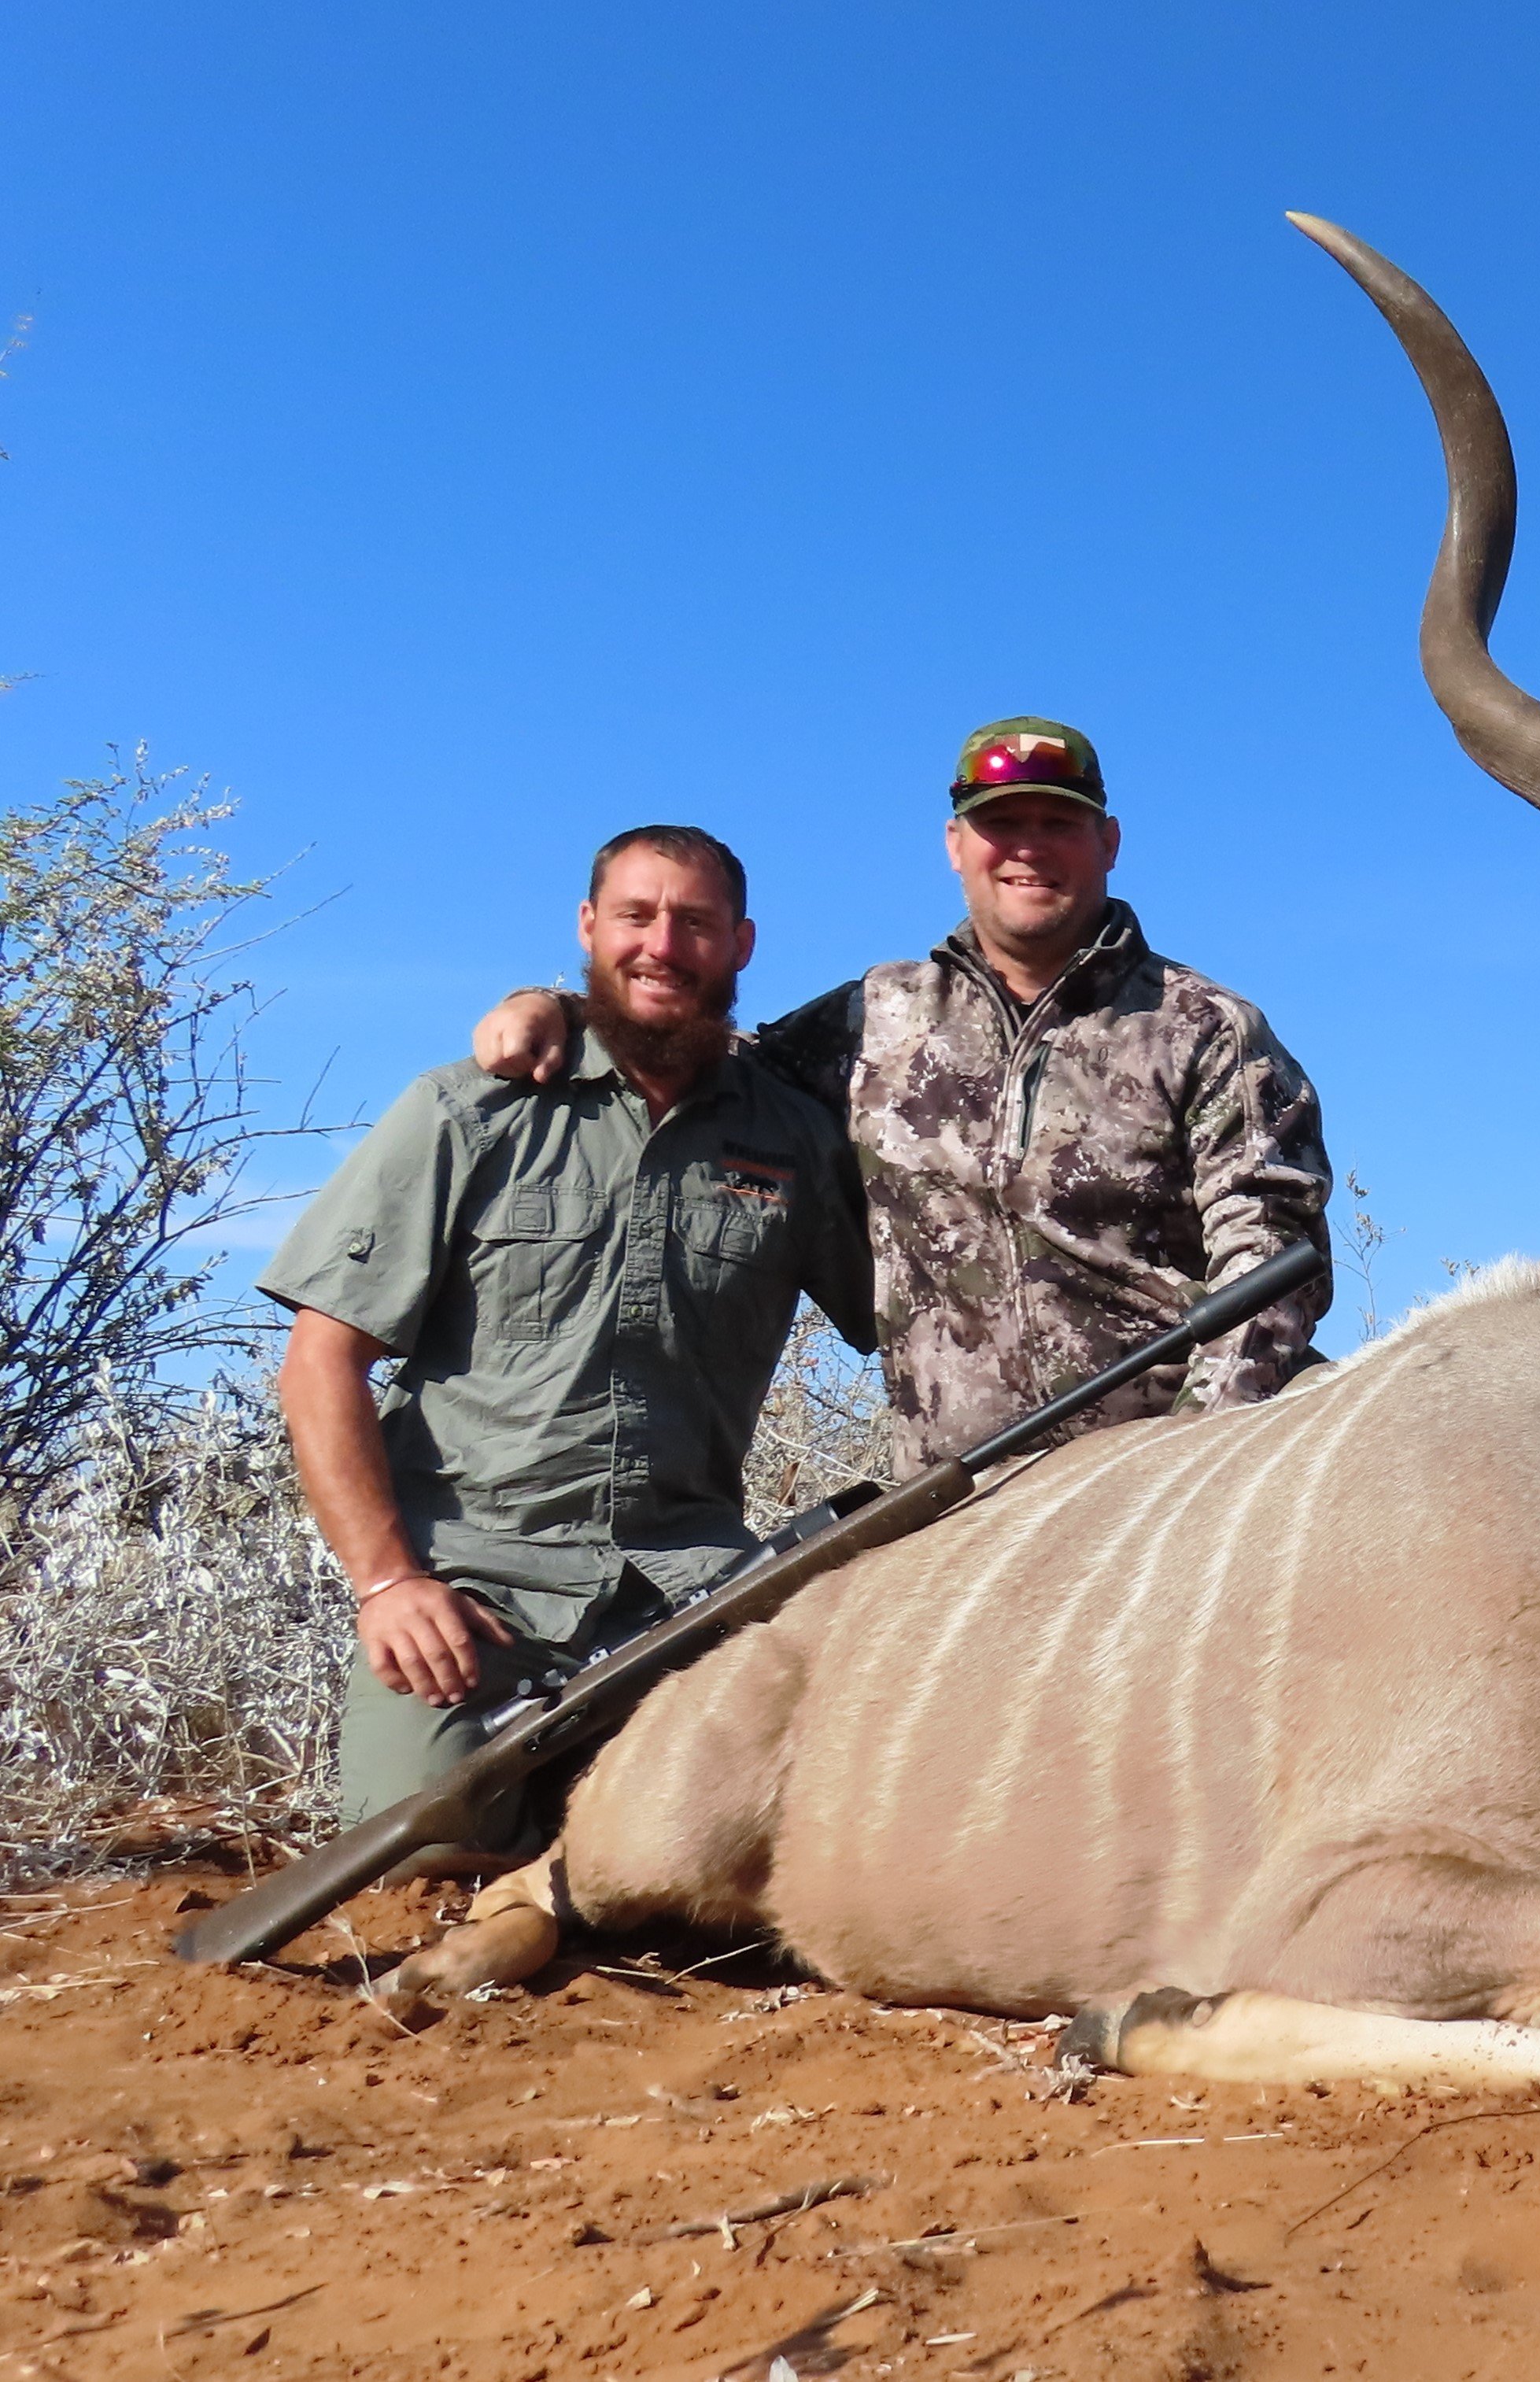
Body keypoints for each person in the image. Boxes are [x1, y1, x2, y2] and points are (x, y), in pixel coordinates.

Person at [472, 718, 1331, 1467]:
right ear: (956, 845)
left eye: (1058, 823)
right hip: (956, 1521)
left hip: (1166, 1497)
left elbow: (1271, 1269)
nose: (1028, 847)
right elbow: (698, 1055)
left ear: (1108, 842)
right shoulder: (878, 1014)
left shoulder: (1207, 1030)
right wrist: (562, 1007)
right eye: (1002, 824)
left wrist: (1186, 1466)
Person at [267, 826, 873, 1867]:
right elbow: (320, 1362)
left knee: (823, 1827)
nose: (663, 946)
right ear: (589, 928)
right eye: (636, 916)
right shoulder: (468, 1109)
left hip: (694, 1592)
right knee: (416, 1836)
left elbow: (914, 1317)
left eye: (695, 924)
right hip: (477, 1590)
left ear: (741, 945)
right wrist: (389, 1583)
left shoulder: (797, 1138)